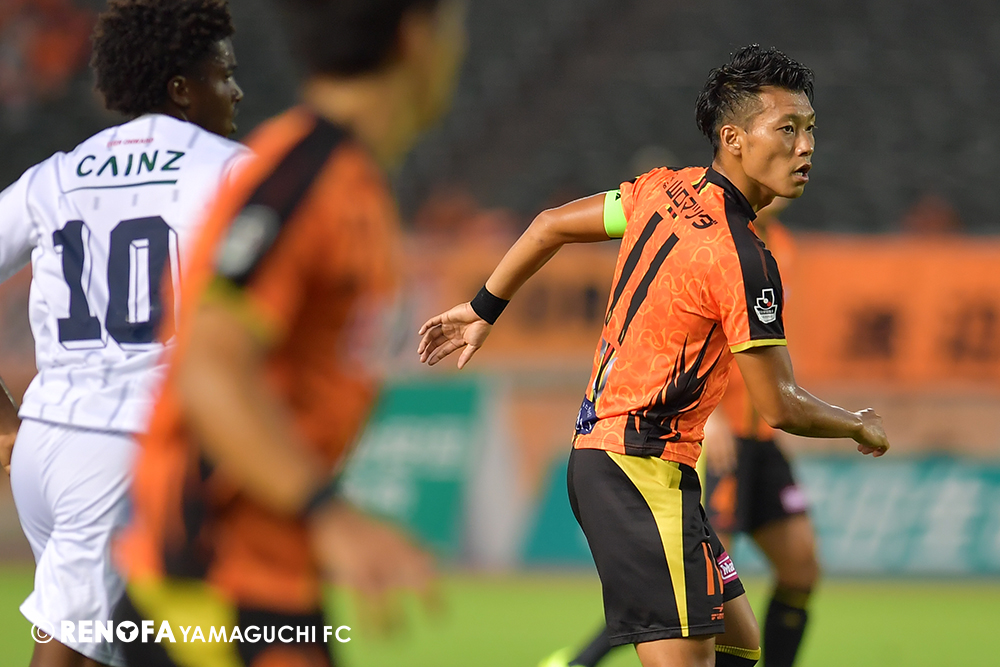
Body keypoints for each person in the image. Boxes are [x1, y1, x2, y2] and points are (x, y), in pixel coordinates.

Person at [418, 44, 889, 667]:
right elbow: (780, 406)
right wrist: (857, 424)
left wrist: (484, 308)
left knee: (742, 643)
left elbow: (550, 224)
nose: (805, 147)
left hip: (629, 462)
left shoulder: (662, 191)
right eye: (787, 130)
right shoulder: (745, 259)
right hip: (638, 469)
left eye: (810, 130)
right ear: (734, 139)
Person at [113, 1, 466, 665]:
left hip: (267, 576)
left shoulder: (345, 178)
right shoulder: (303, 177)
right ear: (418, 38)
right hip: (212, 580)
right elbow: (210, 365)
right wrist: (328, 511)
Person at [0, 1, 247, 665]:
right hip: (124, 451)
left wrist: (1, 418)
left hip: (45, 445)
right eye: (223, 73)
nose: (236, 90)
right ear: (181, 88)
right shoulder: (231, 170)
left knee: (135, 646)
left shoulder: (56, 173)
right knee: (68, 653)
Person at [539, 200, 821, 667]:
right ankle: (578, 662)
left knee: (800, 564)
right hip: (705, 434)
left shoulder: (780, 247)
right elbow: (672, 329)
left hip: (762, 437)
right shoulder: (709, 238)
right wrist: (714, 415)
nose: (797, 167)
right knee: (687, 587)